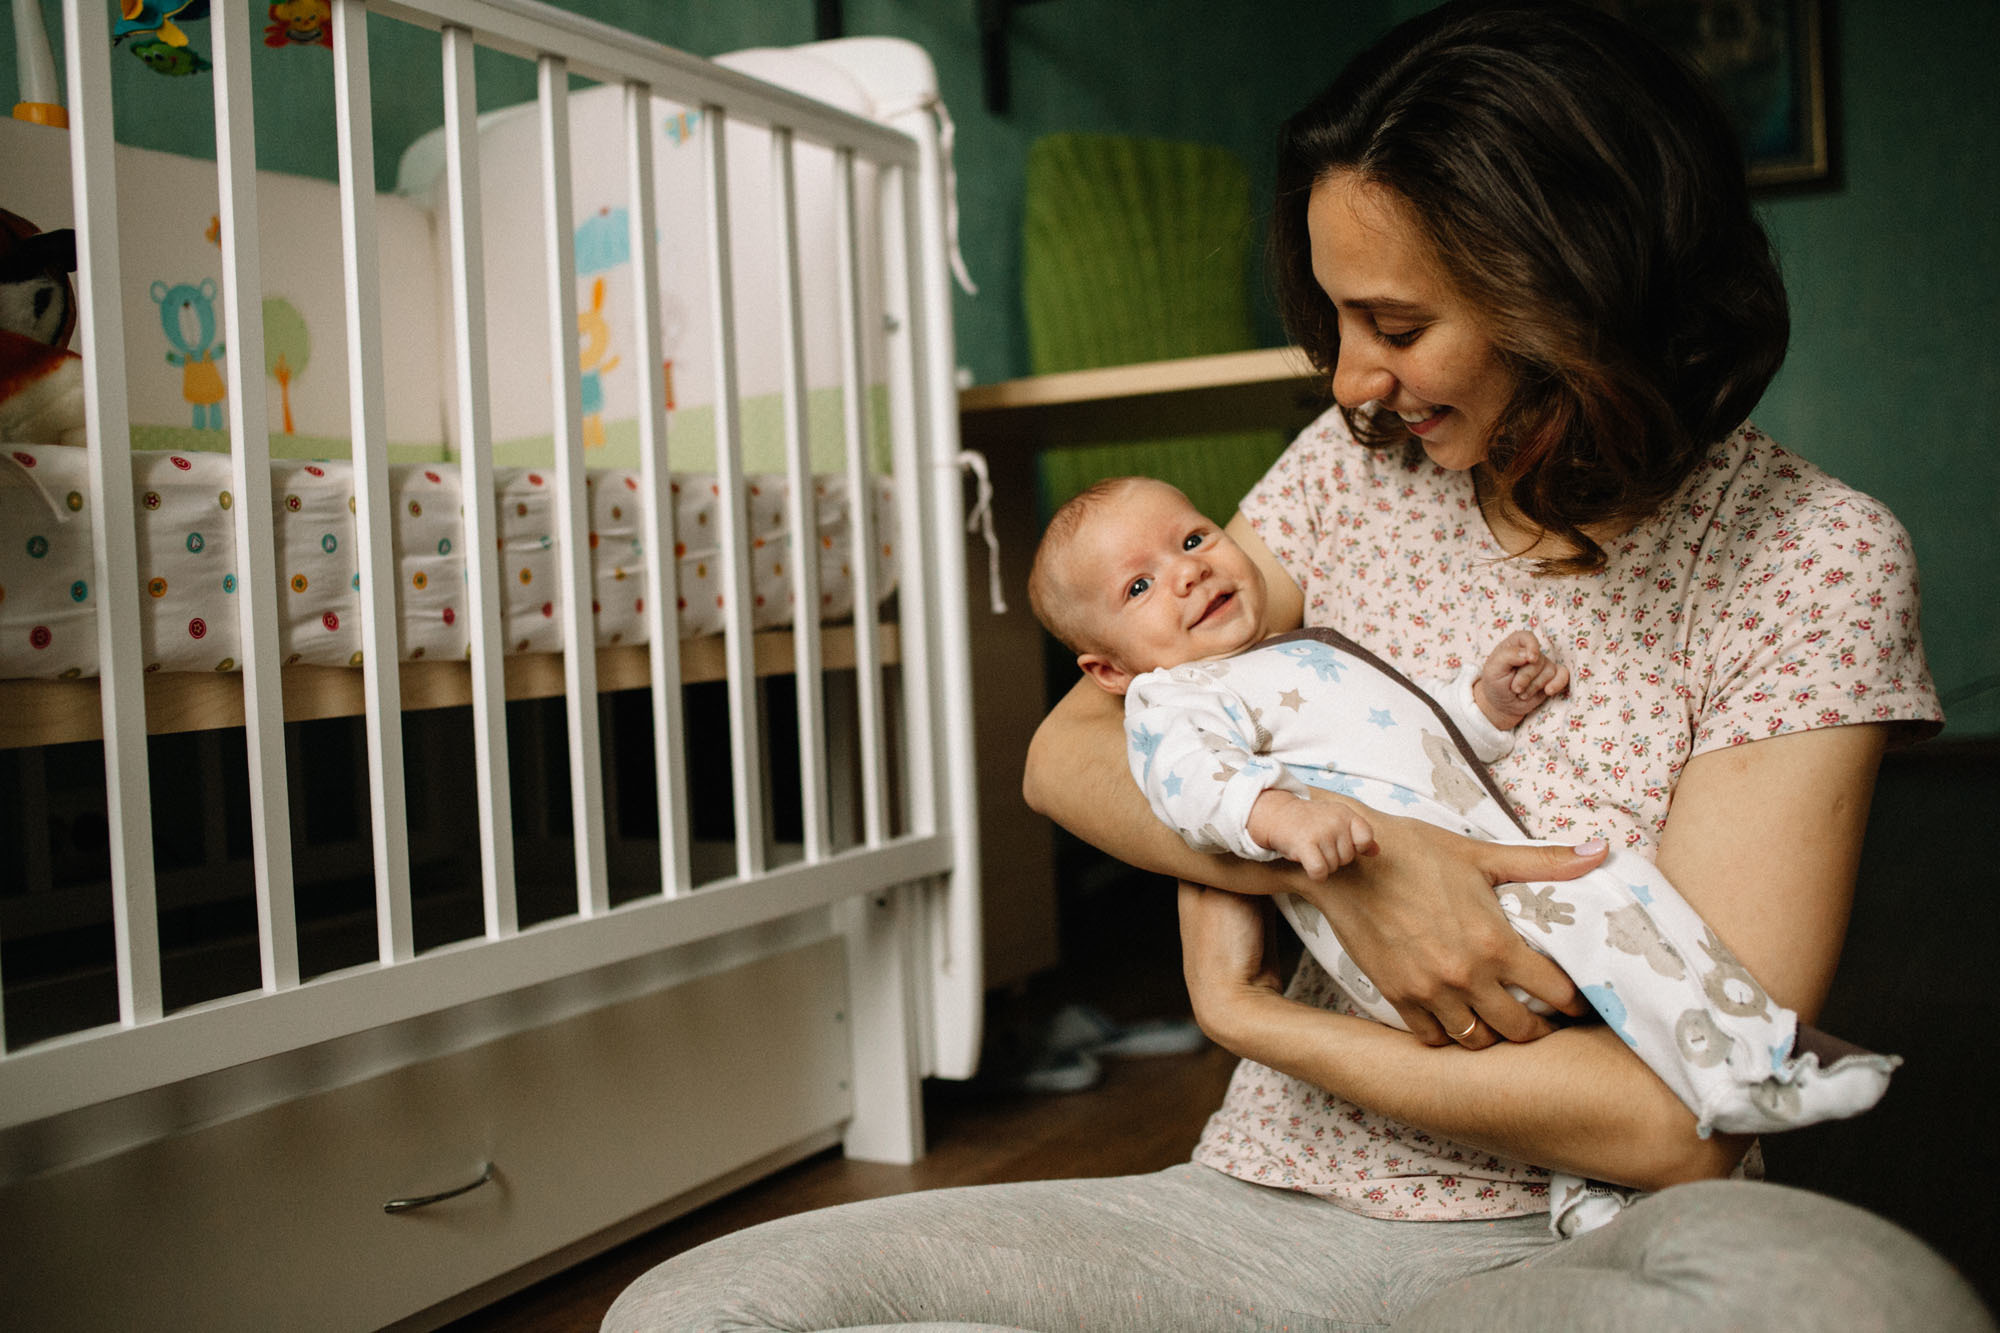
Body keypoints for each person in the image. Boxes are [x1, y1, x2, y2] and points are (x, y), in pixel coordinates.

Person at [604, 3, 1993, 1327]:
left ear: (1577, 290)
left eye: (1395, 326)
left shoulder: (1810, 555)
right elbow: (1071, 751)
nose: (1349, 379)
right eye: (1336, 321)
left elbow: (1675, 1121)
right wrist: (1362, 863)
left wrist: (1250, 1017)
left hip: (1585, 1238)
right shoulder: (1358, 469)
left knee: (1859, 1303)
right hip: (1261, 1218)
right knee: (697, 1309)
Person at [1026, 472, 1898, 1233]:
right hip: (1402, 931)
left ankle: (1593, 1192)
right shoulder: (1174, 698)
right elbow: (1186, 783)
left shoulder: (1290, 657)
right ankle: (1755, 1062)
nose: (1186, 571)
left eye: (1192, 538)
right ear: (1107, 672)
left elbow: (1410, 739)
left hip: (1471, 880)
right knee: (1613, 886)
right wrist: (1279, 821)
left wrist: (1483, 705)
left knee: (1589, 1023)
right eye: (1141, 585)